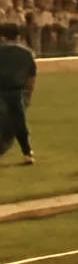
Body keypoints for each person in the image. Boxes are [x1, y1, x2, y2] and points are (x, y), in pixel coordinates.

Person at [0, 24, 37, 166]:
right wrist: (28, 96)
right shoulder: (27, 53)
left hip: (1, 90)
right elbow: (31, 77)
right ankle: (27, 153)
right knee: (19, 123)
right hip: (18, 92)